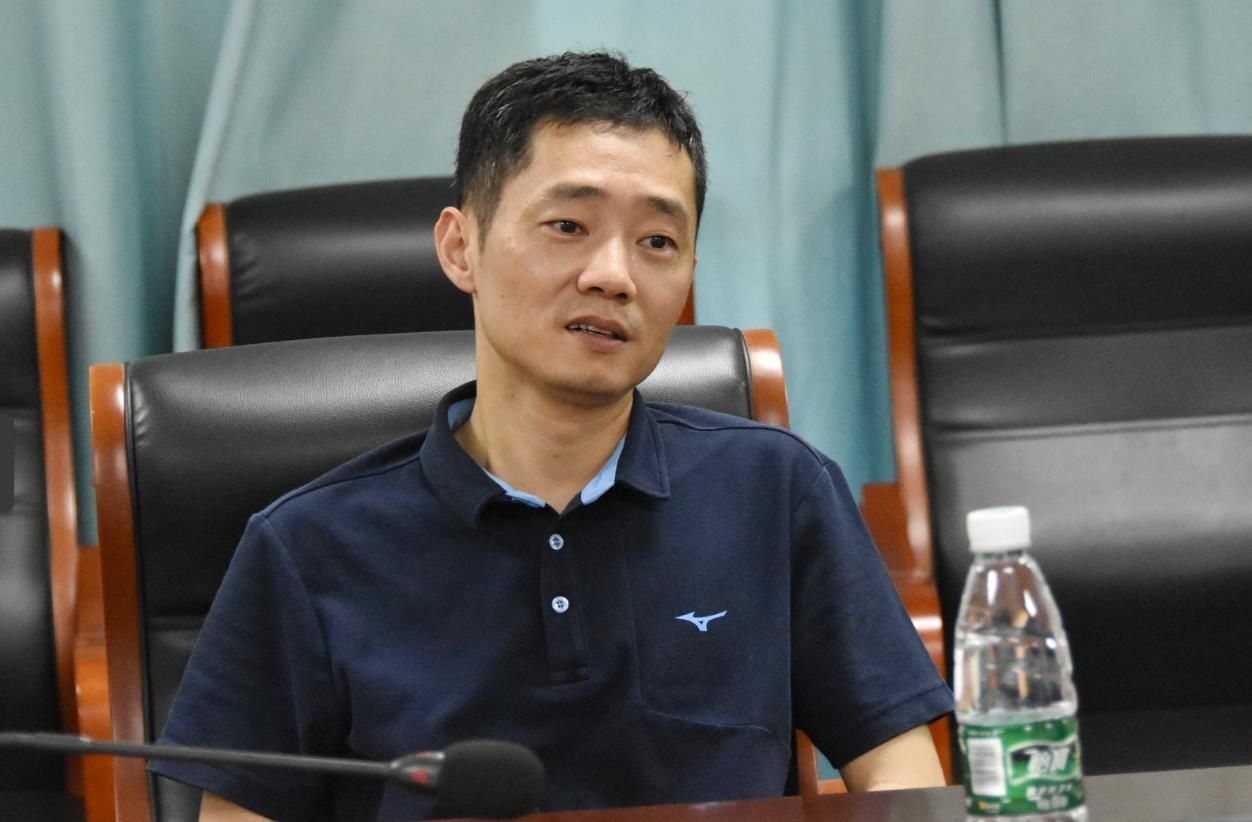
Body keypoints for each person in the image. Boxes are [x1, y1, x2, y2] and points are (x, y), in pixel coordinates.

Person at [153, 51, 952, 821]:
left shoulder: (775, 492)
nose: (614, 276)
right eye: (568, 225)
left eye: (658, 242)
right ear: (460, 248)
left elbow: (901, 775)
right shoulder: (308, 548)